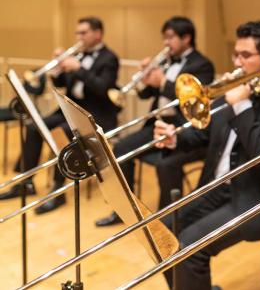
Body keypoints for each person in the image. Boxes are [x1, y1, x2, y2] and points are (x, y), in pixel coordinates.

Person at [153, 20, 260, 290]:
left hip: (254, 197)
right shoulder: (232, 91)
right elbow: (205, 135)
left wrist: (242, 105)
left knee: (189, 247)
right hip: (215, 188)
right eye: (236, 54)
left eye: (245, 55)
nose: (236, 62)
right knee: (160, 233)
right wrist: (176, 137)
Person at [95, 16, 215, 227]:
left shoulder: (202, 65)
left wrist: (163, 82)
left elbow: (195, 104)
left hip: (182, 128)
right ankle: (127, 210)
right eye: (164, 38)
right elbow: (146, 94)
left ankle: (167, 220)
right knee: (120, 149)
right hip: (156, 125)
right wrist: (144, 80)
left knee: (165, 163)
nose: (166, 43)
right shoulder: (166, 62)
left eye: (170, 37)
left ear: (186, 38)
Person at [0, 17, 121, 215]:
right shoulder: (79, 56)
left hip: (94, 115)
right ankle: (26, 181)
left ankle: (58, 190)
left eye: (83, 33)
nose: (78, 37)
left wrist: (79, 69)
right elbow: (64, 83)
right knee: (33, 127)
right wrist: (56, 71)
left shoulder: (109, 58)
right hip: (70, 111)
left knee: (63, 133)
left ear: (97, 33)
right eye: (77, 33)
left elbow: (102, 88)